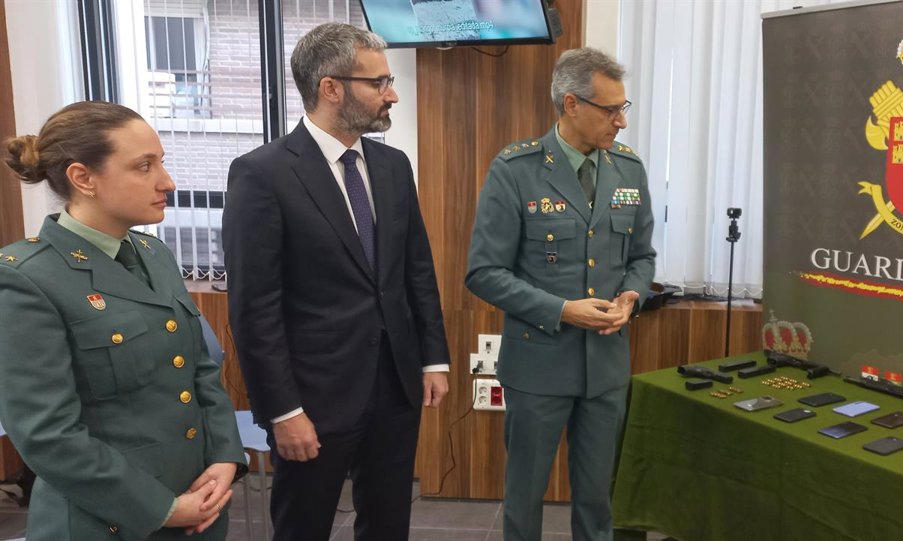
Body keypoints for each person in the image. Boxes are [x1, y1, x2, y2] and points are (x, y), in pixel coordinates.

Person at [222, 22, 450, 540]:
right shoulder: (262, 174)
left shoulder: (393, 166)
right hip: (313, 398)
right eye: (379, 83)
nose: (391, 95)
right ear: (330, 88)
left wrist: (433, 357)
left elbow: (416, 268)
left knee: (388, 524)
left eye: (389, 81)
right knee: (303, 527)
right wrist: (283, 411)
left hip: (395, 386)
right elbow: (255, 309)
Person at [0, 101, 247, 540]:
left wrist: (224, 458)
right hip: (109, 522)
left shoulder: (154, 254)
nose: (167, 181)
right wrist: (163, 509)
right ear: (83, 178)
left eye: (161, 163)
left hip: (198, 507)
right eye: (144, 166)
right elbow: (48, 435)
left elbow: (199, 370)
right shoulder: (26, 278)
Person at [465, 47, 656, 541]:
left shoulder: (629, 169)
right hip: (538, 368)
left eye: (623, 108)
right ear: (571, 104)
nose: (621, 122)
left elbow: (642, 257)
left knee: (598, 500)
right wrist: (563, 310)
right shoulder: (516, 169)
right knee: (525, 496)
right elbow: (484, 272)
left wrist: (631, 297)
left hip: (606, 368)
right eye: (610, 110)